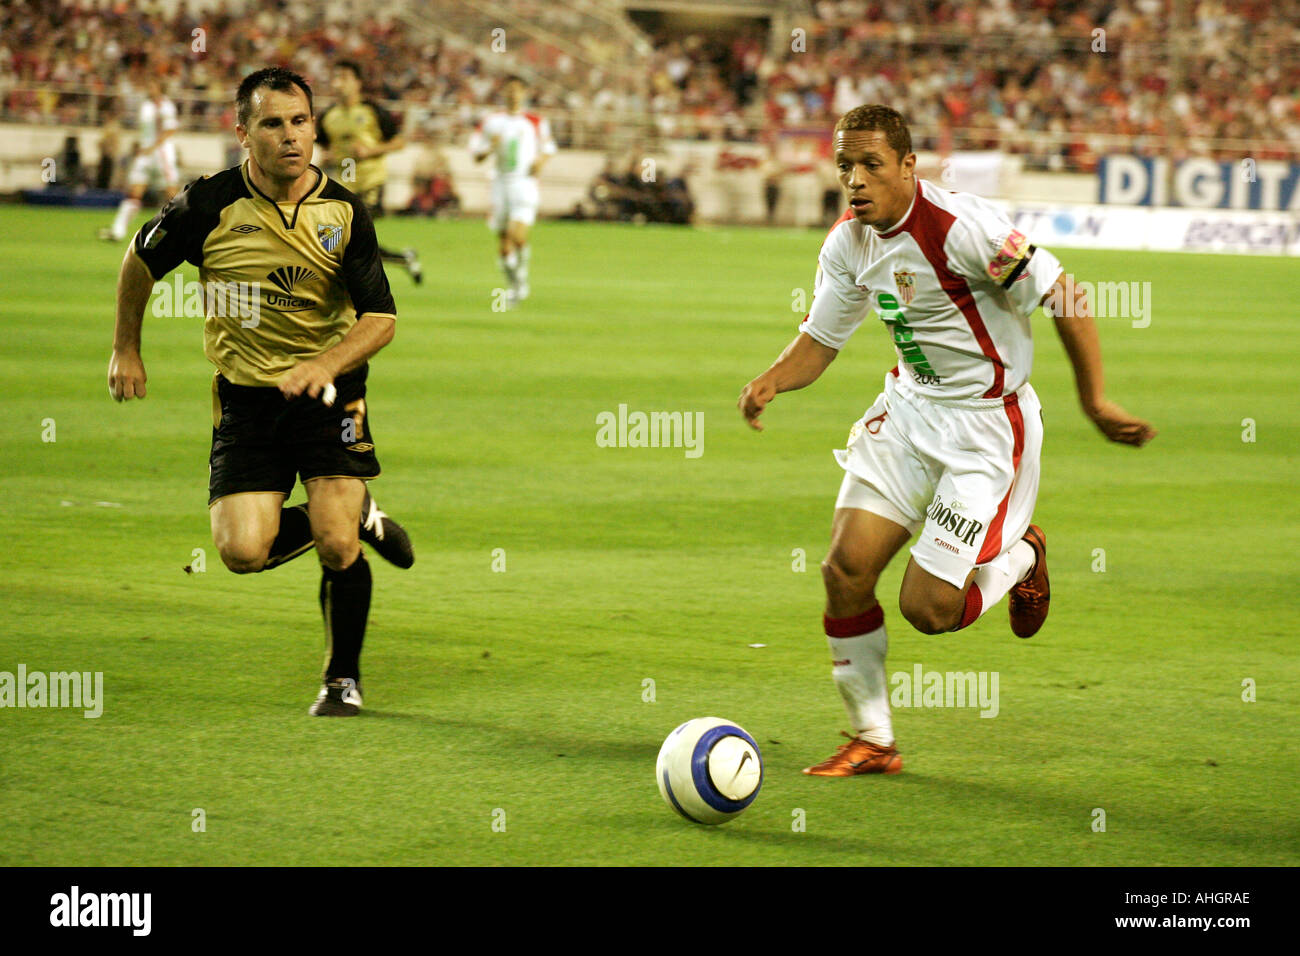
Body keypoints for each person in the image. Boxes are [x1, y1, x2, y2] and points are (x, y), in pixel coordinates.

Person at [737, 105, 1156, 776]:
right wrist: (771, 382)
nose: (856, 179)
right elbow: (821, 340)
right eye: (846, 165)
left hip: (987, 428)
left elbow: (1066, 295)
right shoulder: (848, 243)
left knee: (928, 610)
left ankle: (1022, 556)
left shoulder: (964, 228)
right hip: (907, 412)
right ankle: (872, 740)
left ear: (909, 166)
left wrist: (1095, 401)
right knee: (845, 572)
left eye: (872, 164)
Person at [107, 67, 415, 718]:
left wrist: (325, 366)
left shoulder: (341, 210)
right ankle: (359, 510)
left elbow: (381, 319)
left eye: (300, 121)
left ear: (314, 127)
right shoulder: (208, 206)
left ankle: (342, 679)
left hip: (331, 396)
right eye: (272, 124)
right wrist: (126, 346)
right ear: (242, 133)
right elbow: (139, 259)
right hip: (246, 399)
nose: (290, 136)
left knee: (335, 545)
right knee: (242, 552)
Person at [315, 60, 423, 284]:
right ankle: (403, 259)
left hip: (371, 182)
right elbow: (324, 146)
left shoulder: (372, 110)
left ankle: (343, 285)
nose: (338, 83)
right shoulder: (329, 116)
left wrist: (371, 150)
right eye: (336, 77)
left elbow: (399, 142)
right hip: (344, 185)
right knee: (345, 240)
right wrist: (328, 157)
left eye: (344, 77)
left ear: (357, 83)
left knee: (344, 234)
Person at [469, 75, 556, 306]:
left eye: (518, 90)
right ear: (503, 93)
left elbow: (548, 148)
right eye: (509, 90)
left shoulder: (536, 121)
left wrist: (541, 162)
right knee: (504, 246)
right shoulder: (492, 121)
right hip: (499, 185)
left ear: (525, 93)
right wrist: (490, 148)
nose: (513, 94)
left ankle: (522, 277)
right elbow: (476, 155)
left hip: (525, 184)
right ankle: (515, 286)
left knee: (517, 235)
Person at [99, 78, 180, 241]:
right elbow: (145, 132)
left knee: (173, 196)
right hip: (145, 156)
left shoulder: (166, 106)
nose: (149, 88)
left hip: (162, 155)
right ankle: (117, 231)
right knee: (134, 192)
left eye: (152, 85)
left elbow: (170, 130)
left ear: (160, 87)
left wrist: (153, 146)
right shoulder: (147, 106)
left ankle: (185, 232)